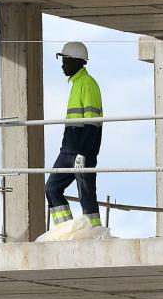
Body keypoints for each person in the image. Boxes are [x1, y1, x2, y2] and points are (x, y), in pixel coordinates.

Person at [37, 41, 109, 242]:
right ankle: (66, 231)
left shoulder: (88, 84)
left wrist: (83, 153)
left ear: (77, 61)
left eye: (66, 60)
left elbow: (92, 124)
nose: (63, 65)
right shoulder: (77, 84)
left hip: (81, 151)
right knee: (52, 188)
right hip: (68, 150)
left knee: (85, 193)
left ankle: (95, 234)